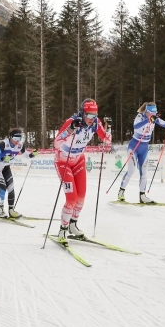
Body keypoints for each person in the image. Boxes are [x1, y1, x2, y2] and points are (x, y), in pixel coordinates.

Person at [54, 98, 111, 242]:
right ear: (82, 112)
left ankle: (73, 225)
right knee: (71, 198)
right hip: (63, 161)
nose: (92, 118)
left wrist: (108, 128)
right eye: (89, 115)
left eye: (95, 115)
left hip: (79, 160)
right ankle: (63, 230)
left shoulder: (96, 122)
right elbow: (56, 143)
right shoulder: (72, 121)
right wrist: (70, 129)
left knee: (81, 196)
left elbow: (106, 140)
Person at [117, 102, 165, 204]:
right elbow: (136, 126)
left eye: (154, 113)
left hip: (144, 148)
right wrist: (147, 120)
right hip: (134, 147)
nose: (153, 115)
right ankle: (121, 192)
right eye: (151, 113)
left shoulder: (154, 118)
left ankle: (142, 195)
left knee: (144, 172)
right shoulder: (140, 117)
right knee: (131, 170)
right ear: (146, 111)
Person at [0, 128, 38, 218]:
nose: (17, 141)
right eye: (16, 138)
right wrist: (3, 158)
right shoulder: (4, 144)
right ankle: (0, 209)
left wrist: (32, 154)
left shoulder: (20, 145)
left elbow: (26, 155)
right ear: (11, 137)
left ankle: (11, 210)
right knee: (3, 187)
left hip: (6, 167)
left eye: (19, 139)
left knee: (11, 188)